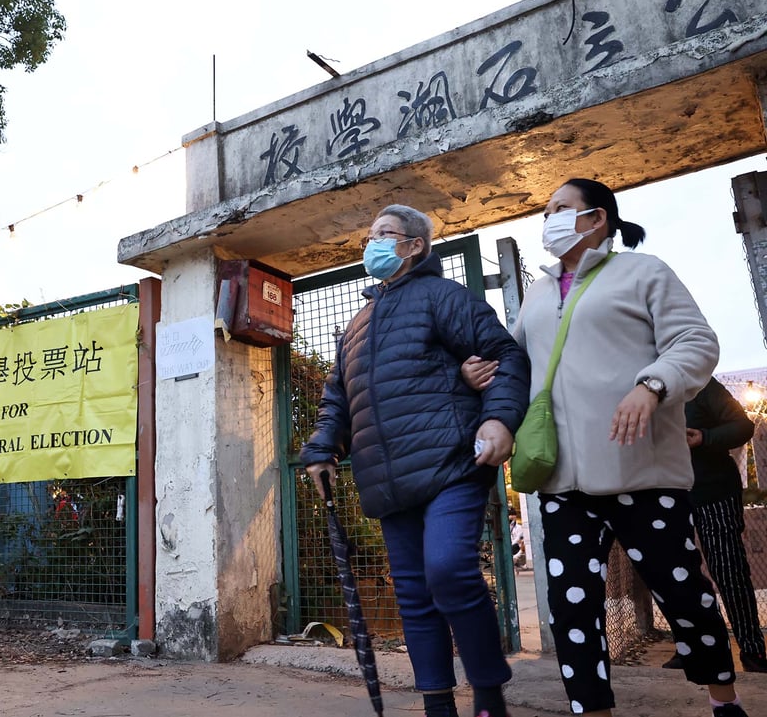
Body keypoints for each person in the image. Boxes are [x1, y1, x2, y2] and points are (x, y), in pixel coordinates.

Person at [463, 178, 748, 717]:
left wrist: (652, 385)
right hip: (561, 481)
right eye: (547, 210)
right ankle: (592, 710)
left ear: (597, 219)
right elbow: (518, 362)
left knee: (685, 596)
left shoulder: (644, 272)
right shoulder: (540, 294)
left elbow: (696, 341)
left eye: (562, 209)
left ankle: (724, 698)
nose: (550, 218)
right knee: (572, 611)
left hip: (641, 472)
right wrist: (485, 371)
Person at [300, 204, 531, 717]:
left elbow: (505, 354)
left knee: (449, 572)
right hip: (388, 478)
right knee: (414, 595)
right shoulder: (356, 327)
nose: (373, 243)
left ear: (415, 246)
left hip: (451, 463)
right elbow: (338, 399)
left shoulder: (443, 298)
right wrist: (321, 450)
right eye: (370, 235)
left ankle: (489, 695)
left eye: (386, 234)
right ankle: (437, 703)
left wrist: (498, 420)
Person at [661, 377, 764, 673]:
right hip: (665, 496)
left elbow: (742, 426)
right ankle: (690, 647)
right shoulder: (636, 383)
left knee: (729, 572)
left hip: (712, 491)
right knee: (677, 576)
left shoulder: (700, 384)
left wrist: (703, 437)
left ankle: (752, 651)